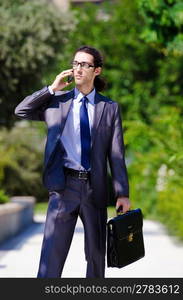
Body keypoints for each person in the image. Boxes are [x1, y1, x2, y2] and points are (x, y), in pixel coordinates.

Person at [15, 45, 130, 278]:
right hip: (62, 187)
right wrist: (51, 89)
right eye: (75, 63)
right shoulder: (57, 102)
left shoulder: (109, 108)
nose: (78, 69)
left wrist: (122, 193)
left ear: (96, 71)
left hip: (94, 189)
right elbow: (21, 110)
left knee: (96, 257)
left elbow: (116, 153)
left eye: (84, 64)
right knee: (50, 258)